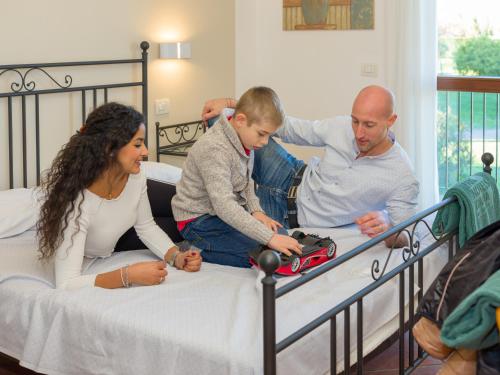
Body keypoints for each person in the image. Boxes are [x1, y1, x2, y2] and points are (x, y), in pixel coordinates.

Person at [201, 85, 419, 248]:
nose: (358, 132)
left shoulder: (401, 175)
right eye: (355, 121)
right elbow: (291, 128)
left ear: (391, 120)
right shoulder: (341, 126)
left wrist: (389, 227)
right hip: (288, 173)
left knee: (222, 222)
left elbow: (410, 236)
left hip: (285, 216)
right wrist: (232, 104)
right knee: (219, 121)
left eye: (369, 125)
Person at [37, 102, 202, 290]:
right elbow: (67, 283)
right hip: (113, 241)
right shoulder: (77, 203)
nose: (146, 151)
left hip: (121, 229)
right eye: (138, 144)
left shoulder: (135, 176)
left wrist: (177, 256)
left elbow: (146, 226)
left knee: (192, 207)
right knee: (182, 224)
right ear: (108, 148)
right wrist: (127, 275)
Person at [171, 86, 302, 268]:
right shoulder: (214, 148)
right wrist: (268, 238)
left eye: (269, 136)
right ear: (240, 120)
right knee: (264, 257)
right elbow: (224, 206)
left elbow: (246, 182)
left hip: (220, 214)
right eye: (262, 134)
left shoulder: (246, 140)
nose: (265, 142)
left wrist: (257, 212)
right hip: (198, 220)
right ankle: (194, 247)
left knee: (281, 235)